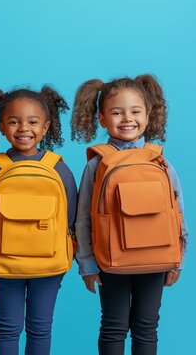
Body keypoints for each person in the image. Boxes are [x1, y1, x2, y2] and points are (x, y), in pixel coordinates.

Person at [71, 74, 189, 355]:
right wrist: (87, 263)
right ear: (101, 119)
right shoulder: (96, 163)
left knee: (147, 326)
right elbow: (84, 218)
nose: (127, 119)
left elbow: (177, 212)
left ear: (148, 116)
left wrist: (178, 259)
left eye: (136, 111)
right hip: (111, 261)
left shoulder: (160, 161)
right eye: (117, 112)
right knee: (113, 325)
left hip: (156, 260)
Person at [0, 86, 77, 355]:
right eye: (14, 121)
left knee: (15, 327)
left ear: (46, 126)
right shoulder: (57, 168)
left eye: (32, 122)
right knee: (32, 328)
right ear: (2, 126)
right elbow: (71, 215)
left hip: (12, 259)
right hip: (45, 260)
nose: (23, 128)